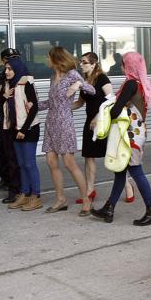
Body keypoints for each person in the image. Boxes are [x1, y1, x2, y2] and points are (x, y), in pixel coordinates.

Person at [90, 52, 151, 226]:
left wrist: (104, 112)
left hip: (130, 135)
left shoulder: (130, 84)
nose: (121, 67)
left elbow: (115, 111)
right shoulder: (142, 84)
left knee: (136, 171)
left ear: (128, 66)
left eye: (123, 64)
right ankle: (109, 207)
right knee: (120, 171)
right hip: (136, 132)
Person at [71, 52, 135, 205]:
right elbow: (80, 102)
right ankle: (90, 191)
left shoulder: (102, 78)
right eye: (81, 62)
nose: (81, 65)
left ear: (94, 64)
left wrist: (97, 118)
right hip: (90, 124)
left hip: (104, 122)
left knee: (112, 156)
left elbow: (111, 100)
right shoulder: (84, 81)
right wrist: (63, 107)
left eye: (85, 62)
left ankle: (128, 186)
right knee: (89, 157)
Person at [39, 46, 95, 216]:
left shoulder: (72, 75)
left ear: (56, 59)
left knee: (69, 163)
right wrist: (33, 107)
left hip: (64, 122)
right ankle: (61, 199)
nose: (47, 60)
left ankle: (87, 200)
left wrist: (79, 84)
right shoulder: (52, 77)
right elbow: (51, 102)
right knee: (51, 161)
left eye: (49, 57)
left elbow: (91, 90)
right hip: (51, 122)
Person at [3, 58, 42, 211]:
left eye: (9, 69)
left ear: (17, 69)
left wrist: (24, 130)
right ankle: (24, 194)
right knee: (21, 164)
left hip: (29, 129)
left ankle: (36, 196)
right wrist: (4, 96)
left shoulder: (27, 83)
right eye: (6, 68)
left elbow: (34, 108)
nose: (6, 71)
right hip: (15, 129)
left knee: (29, 163)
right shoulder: (9, 85)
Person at [0, 48, 22, 203]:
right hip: (4, 119)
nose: (12, 60)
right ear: (2, 61)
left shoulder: (22, 76)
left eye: (15, 57)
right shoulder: (0, 77)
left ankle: (16, 188)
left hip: (17, 122)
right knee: (0, 150)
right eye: (9, 58)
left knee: (13, 155)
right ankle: (5, 179)